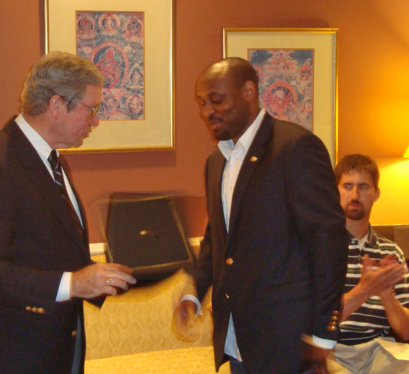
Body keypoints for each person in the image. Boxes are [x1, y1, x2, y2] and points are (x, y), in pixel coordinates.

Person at [0, 51, 136, 374]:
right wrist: (73, 284)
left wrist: (104, 275)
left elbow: (51, 251)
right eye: (91, 109)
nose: (96, 121)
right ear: (55, 106)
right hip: (9, 355)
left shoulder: (53, 160)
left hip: (56, 348)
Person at [173, 57, 349, 374]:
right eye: (202, 102)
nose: (207, 112)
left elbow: (328, 243)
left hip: (289, 342)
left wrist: (322, 334)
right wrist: (194, 293)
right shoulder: (216, 162)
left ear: (249, 91)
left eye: (216, 99)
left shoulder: (295, 148)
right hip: (237, 340)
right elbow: (217, 240)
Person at [328, 154, 409, 373]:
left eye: (363, 187)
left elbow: (406, 331)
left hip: (379, 351)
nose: (354, 195)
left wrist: (386, 295)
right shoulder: (319, 249)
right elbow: (313, 322)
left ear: (376, 194)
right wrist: (365, 290)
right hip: (332, 350)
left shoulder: (392, 252)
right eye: (347, 186)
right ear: (336, 191)